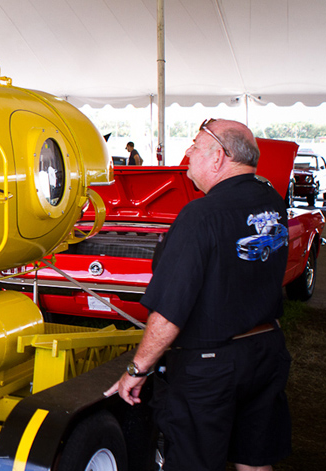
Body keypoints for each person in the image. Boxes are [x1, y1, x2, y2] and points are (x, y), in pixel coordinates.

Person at [106, 119, 291, 471]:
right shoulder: (272, 201)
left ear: (218, 156)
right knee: (254, 459)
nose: (187, 153)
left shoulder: (200, 216)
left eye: (193, 145)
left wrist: (137, 369)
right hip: (266, 351)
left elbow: (169, 312)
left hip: (212, 365)